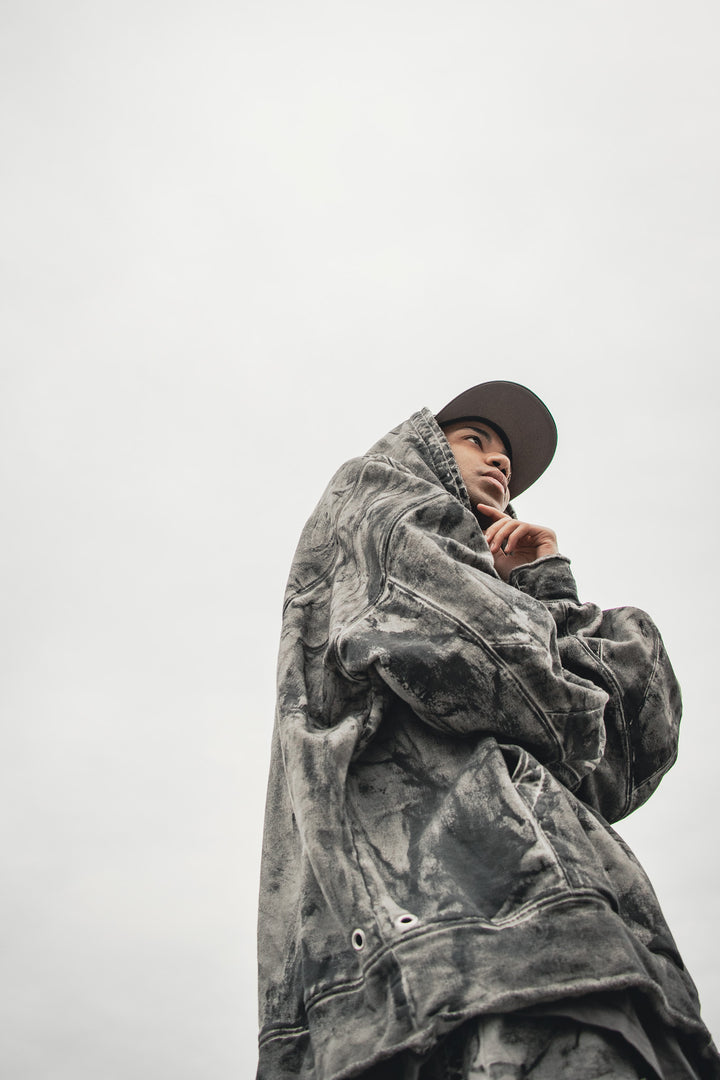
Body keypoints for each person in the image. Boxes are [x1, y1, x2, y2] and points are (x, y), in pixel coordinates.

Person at [256, 381, 720, 1079]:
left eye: (506, 454)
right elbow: (499, 669)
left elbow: (627, 749)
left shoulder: (500, 587)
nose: (500, 461)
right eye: (474, 440)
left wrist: (543, 581)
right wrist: (563, 685)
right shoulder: (378, 494)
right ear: (424, 449)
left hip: (583, 934)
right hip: (454, 945)